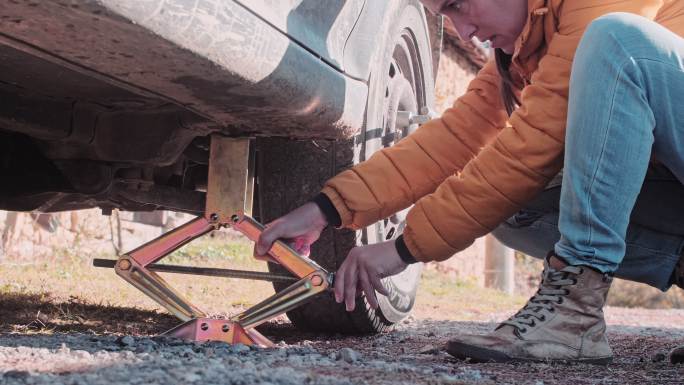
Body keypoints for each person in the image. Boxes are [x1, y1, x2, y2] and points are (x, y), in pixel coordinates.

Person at [256, 0, 684, 364]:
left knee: (617, 41)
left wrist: (405, 248)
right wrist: (325, 208)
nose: (466, 32)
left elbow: (531, 145)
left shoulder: (592, 15)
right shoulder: (530, 48)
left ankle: (575, 313)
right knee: (517, 210)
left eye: (458, 4)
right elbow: (453, 139)